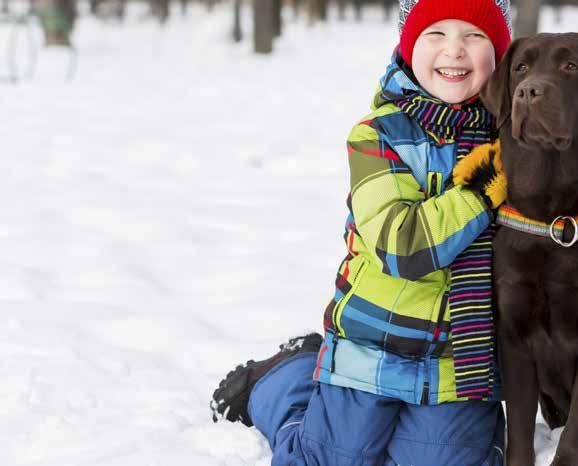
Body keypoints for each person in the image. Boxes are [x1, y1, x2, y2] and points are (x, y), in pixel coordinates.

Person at [211, 1, 513, 464]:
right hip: (371, 349)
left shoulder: (517, 136)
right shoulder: (379, 135)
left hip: (462, 364)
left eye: (474, 35)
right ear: (409, 44)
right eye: (435, 33)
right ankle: (283, 378)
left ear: (500, 51)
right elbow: (402, 246)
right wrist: (487, 184)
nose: (454, 51)